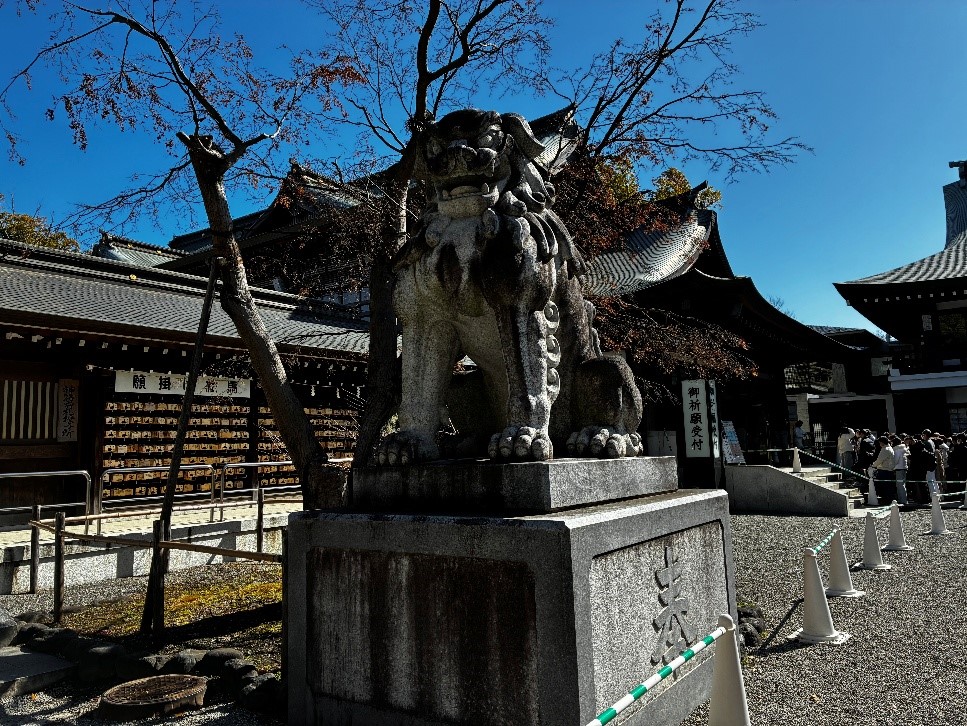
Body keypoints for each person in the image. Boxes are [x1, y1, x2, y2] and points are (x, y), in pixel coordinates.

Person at [871, 435, 896, 502]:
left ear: (882, 442)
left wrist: (873, 465)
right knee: (888, 486)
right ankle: (887, 499)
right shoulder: (890, 448)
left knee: (884, 487)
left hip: (884, 470)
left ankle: (885, 500)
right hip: (888, 470)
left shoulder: (885, 449)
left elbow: (880, 460)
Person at [891, 435, 908, 505]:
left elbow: (895, 460)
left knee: (900, 485)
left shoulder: (897, 450)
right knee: (903, 484)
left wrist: (892, 466)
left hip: (898, 468)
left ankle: (902, 500)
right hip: (904, 467)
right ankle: (904, 499)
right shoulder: (903, 448)